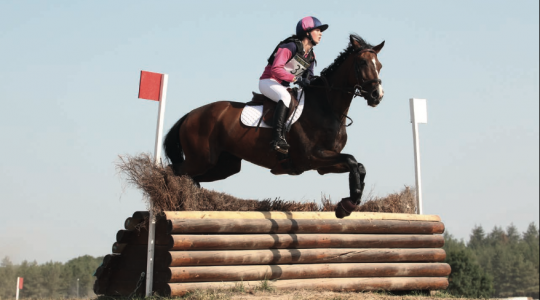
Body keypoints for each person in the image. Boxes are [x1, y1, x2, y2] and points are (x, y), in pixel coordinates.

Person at [259, 16, 329, 154]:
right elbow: (276, 69)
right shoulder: (290, 46)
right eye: (318, 30)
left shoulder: (310, 56)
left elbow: (308, 77)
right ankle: (277, 138)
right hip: (269, 81)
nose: (321, 34)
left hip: (285, 85)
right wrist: (295, 79)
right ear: (307, 32)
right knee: (285, 97)